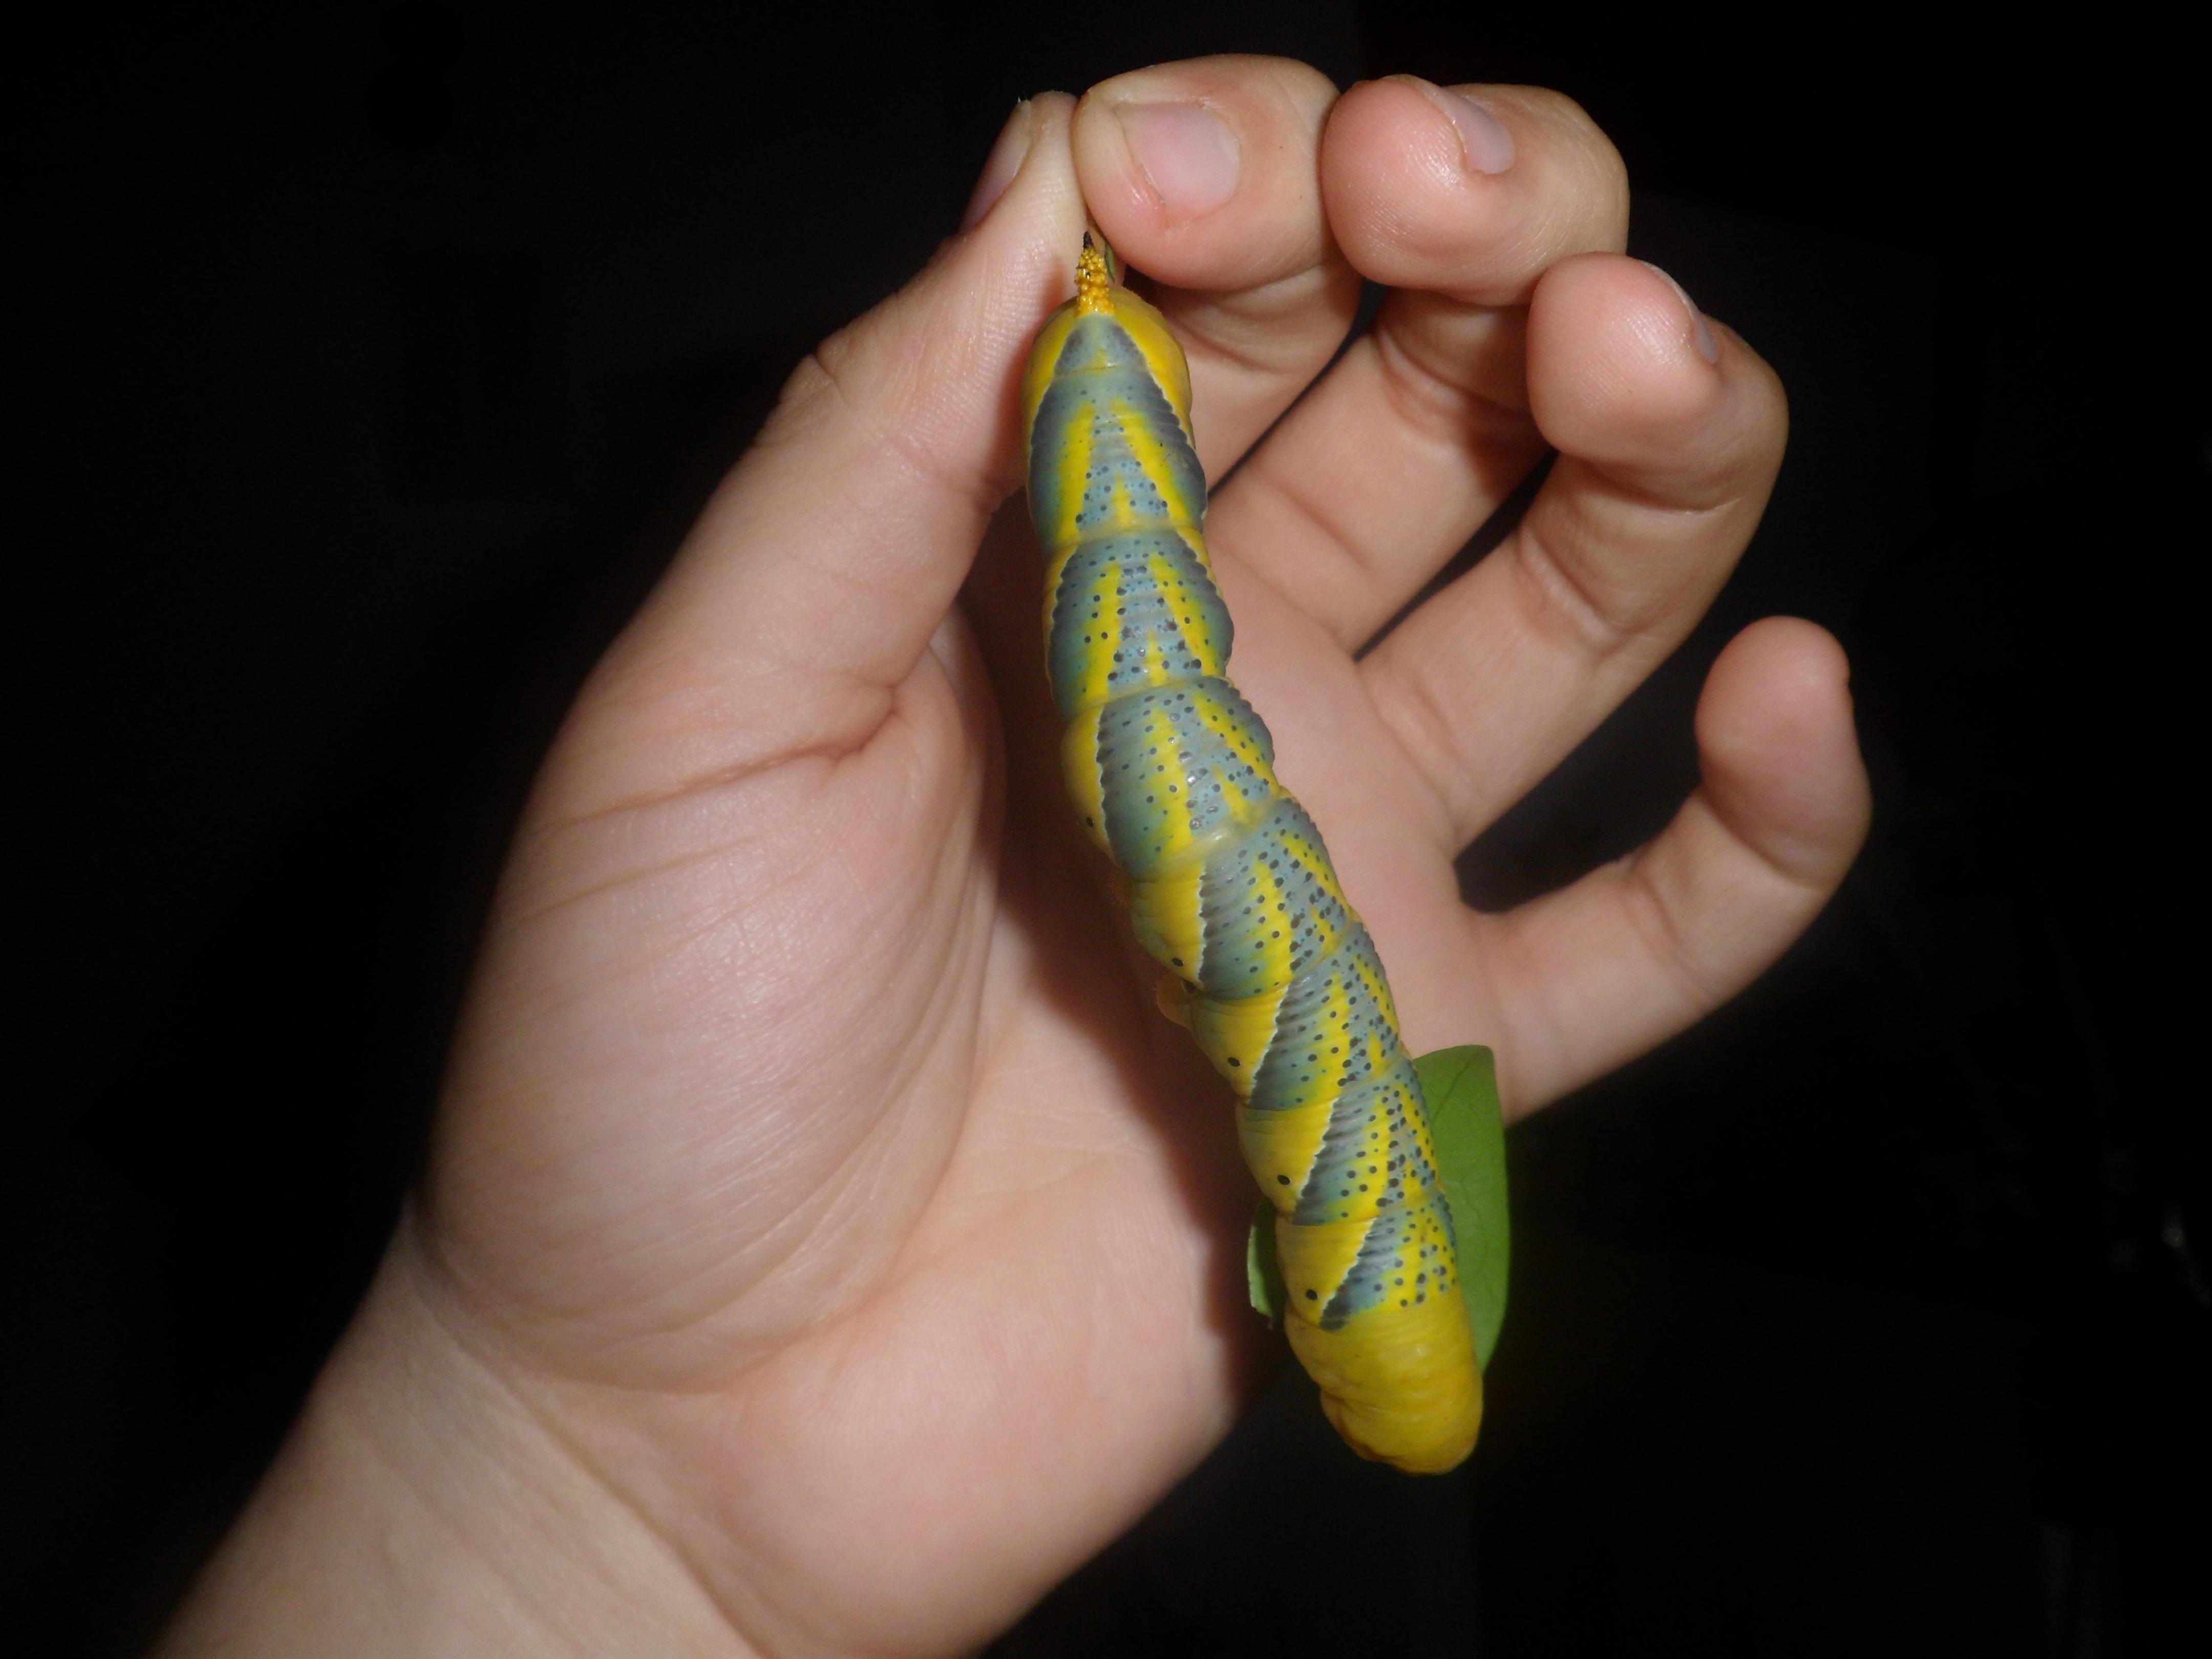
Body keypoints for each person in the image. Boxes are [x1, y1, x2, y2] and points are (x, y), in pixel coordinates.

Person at [159, 58, 1868, 1658]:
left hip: (1158, 650)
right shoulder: (1329, 1200)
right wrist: (563, 1488)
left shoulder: (1377, 1172)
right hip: (1162, 695)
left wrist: (578, 1502)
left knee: (1163, 684)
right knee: (1167, 699)